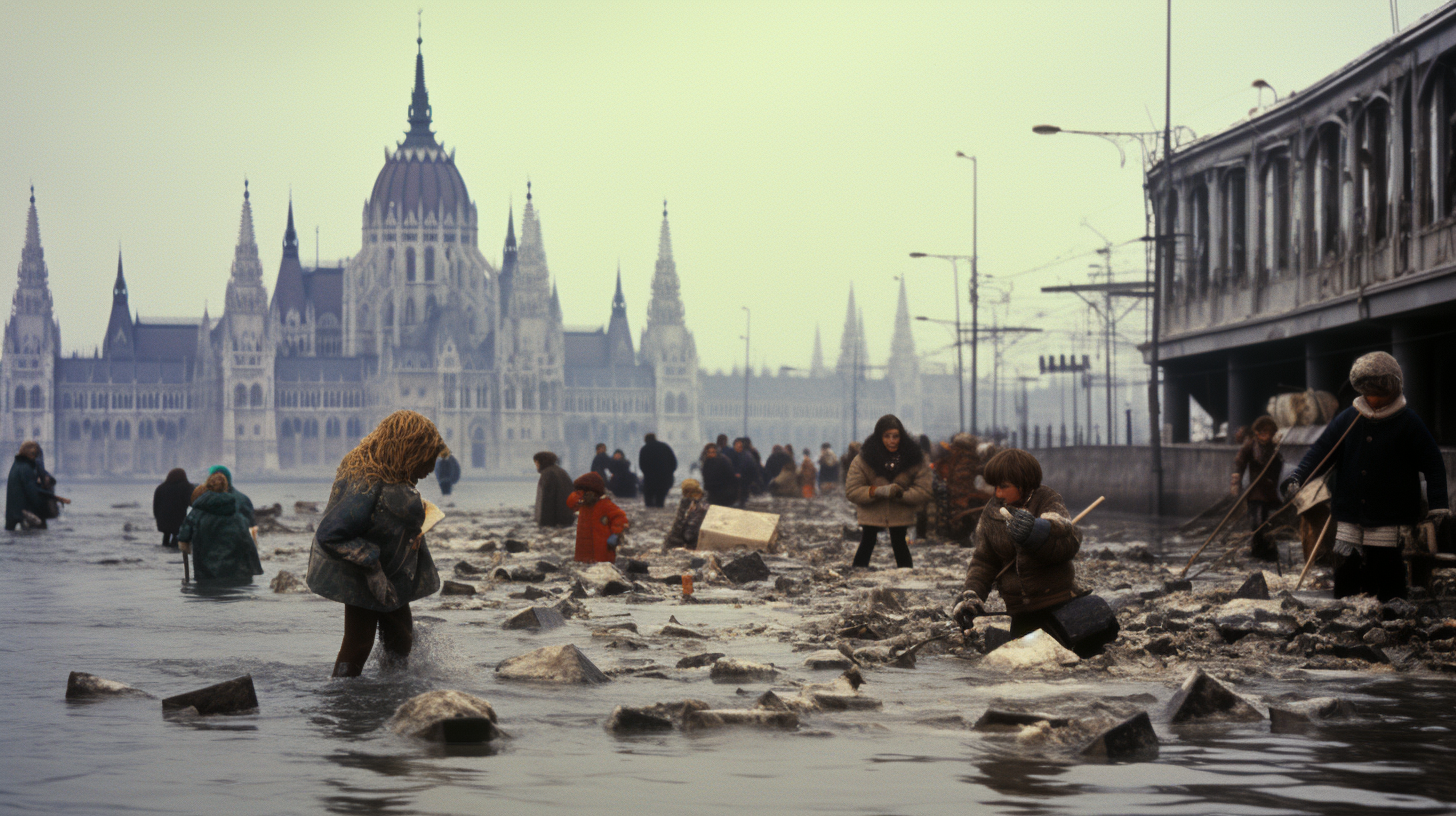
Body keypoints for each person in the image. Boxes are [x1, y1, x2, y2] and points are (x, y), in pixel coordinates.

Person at [1281, 352, 1449, 602]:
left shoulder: (1408, 423)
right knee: (1346, 567)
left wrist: (1438, 506)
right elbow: (1321, 450)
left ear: (1393, 390)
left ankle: (1390, 617)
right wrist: (1298, 477)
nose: (1375, 401)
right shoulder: (1349, 419)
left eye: (1380, 395)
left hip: (1389, 515)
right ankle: (1344, 612)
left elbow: (1434, 465)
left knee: (1386, 569)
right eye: (1369, 395)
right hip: (1349, 511)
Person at [306, 410, 448, 678]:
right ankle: (344, 699)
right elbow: (330, 534)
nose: (430, 469)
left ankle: (393, 689)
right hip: (365, 576)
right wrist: (372, 567)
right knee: (358, 643)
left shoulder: (387, 471)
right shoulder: (367, 480)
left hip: (391, 575)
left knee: (401, 637)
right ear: (408, 450)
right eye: (427, 459)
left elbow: (388, 514)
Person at [951, 449, 1089, 643]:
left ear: (1023, 483)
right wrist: (972, 596)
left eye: (1004, 486)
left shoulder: (1047, 500)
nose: (998, 493)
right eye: (995, 486)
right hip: (1019, 611)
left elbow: (1067, 545)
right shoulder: (992, 512)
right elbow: (984, 560)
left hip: (1057, 605)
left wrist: (1037, 533)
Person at [845, 415, 933, 568]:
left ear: (901, 436)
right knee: (867, 541)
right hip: (871, 512)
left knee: (899, 543)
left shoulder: (914, 459)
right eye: (887, 436)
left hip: (900, 512)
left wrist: (900, 494)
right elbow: (852, 490)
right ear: (879, 436)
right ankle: (856, 579)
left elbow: (924, 490)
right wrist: (876, 492)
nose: (892, 441)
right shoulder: (863, 460)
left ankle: (906, 581)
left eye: (895, 436)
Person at [176, 472, 264, 583]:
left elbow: (183, 539)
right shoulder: (237, 515)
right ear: (226, 487)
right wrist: (254, 569)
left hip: (205, 572)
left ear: (207, 486)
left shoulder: (196, 513)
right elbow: (248, 543)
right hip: (235, 573)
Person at [1232, 415, 1283, 562]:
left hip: (1268, 490)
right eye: (1263, 432)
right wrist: (1236, 482)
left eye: (1269, 432)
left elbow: (1278, 466)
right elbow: (1240, 463)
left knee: (1266, 520)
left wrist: (1274, 465)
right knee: (1257, 520)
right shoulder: (1251, 445)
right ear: (1257, 432)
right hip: (1255, 491)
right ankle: (1257, 549)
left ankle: (1266, 550)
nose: (1266, 435)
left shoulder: (1273, 448)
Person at [567, 471, 629, 563]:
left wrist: (615, 534)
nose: (583, 495)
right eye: (579, 492)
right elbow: (570, 503)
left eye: (584, 492)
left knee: (601, 566)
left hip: (602, 549)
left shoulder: (605, 504)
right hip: (583, 550)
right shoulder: (583, 505)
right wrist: (577, 494)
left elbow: (620, 517)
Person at [5, 441, 67, 531]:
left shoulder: (16, 466)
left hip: (14, 515)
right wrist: (49, 501)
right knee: (39, 534)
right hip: (26, 514)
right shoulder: (26, 469)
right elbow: (33, 494)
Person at [153, 468, 196, 549]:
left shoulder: (161, 488)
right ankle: (173, 552)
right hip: (178, 519)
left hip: (163, 519)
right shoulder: (186, 487)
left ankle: (165, 549)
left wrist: (157, 517)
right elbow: (192, 502)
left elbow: (156, 505)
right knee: (176, 539)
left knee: (166, 536)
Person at [664, 478, 710, 550]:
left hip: (697, 536)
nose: (688, 495)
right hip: (685, 536)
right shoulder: (685, 501)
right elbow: (678, 521)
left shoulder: (707, 502)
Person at [533, 451, 576, 527]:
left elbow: (546, 500)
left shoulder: (547, 474)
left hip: (555, 520)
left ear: (540, 462)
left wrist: (543, 523)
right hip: (567, 516)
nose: (535, 465)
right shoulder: (561, 472)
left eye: (536, 462)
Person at [638, 433, 678, 508]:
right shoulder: (665, 447)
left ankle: (649, 518)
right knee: (660, 502)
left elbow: (642, 465)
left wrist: (647, 473)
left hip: (650, 479)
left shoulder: (644, 449)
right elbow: (674, 462)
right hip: (665, 479)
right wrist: (669, 473)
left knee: (649, 503)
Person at [700, 442, 737, 507]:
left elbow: (730, 477)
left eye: (713, 452)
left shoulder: (723, 461)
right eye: (709, 452)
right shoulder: (707, 462)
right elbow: (706, 477)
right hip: (713, 492)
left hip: (723, 492)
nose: (711, 454)